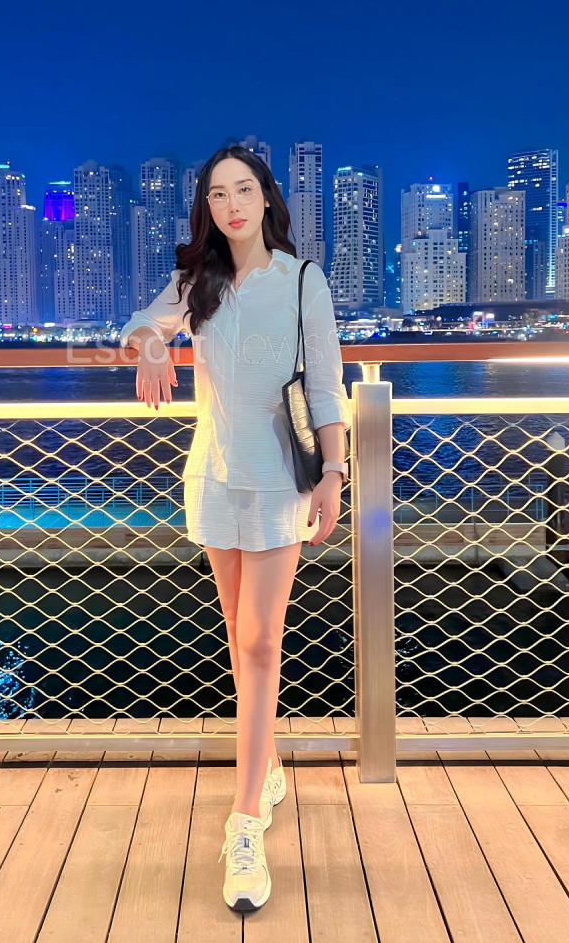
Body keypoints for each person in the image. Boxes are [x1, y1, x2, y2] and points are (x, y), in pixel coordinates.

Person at [119, 144, 351, 914]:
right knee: (237, 634)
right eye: (217, 195)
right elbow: (137, 325)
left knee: (258, 642)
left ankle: (245, 820)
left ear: (266, 197)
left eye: (243, 190)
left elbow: (327, 386)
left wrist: (334, 475)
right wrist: (156, 343)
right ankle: (268, 764)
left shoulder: (303, 280)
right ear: (207, 209)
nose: (232, 205)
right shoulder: (199, 281)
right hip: (214, 475)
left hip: (280, 478)